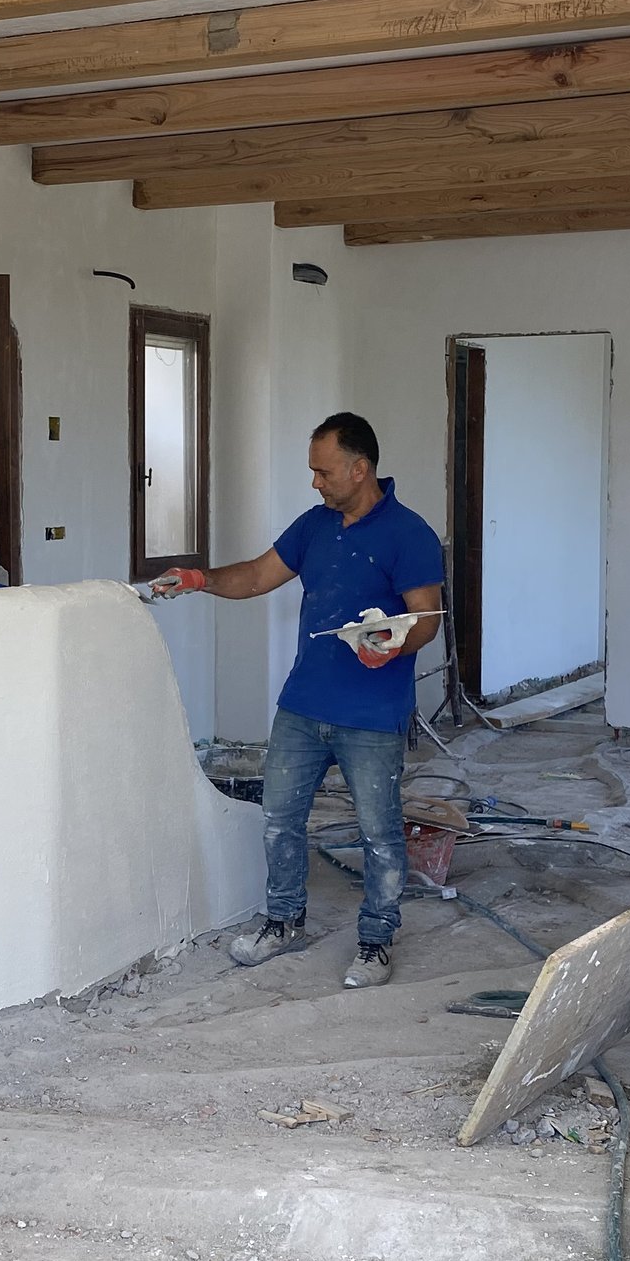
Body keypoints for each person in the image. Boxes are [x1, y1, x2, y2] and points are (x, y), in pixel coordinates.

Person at [151, 412, 442, 988]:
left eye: (323, 471)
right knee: (280, 821)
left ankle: (376, 942)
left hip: (372, 714)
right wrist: (198, 579)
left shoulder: (409, 534)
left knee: (378, 833)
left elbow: (426, 618)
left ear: (360, 470)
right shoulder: (314, 526)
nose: (315, 482)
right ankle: (284, 923)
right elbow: (258, 576)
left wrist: (392, 645)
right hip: (303, 706)